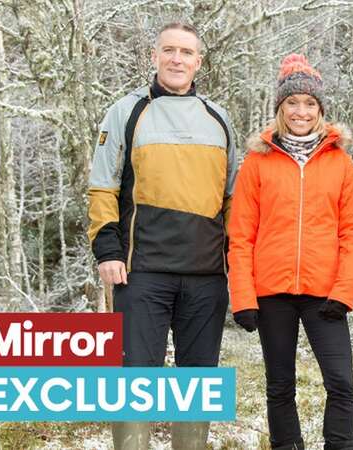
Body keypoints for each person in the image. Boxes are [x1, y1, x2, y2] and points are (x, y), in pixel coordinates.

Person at [87, 22, 237, 450]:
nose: (176, 59)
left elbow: (231, 200)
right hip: (141, 271)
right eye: (168, 50)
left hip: (207, 275)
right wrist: (107, 250)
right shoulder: (126, 111)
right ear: (154, 57)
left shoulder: (218, 118)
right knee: (136, 378)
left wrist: (236, 263)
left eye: (186, 52)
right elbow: (102, 185)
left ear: (198, 62)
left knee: (198, 381)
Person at [227, 54, 353, 450]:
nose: (300, 111)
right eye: (292, 103)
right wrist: (243, 297)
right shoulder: (257, 162)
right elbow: (240, 235)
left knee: (341, 382)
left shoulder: (340, 163)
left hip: (325, 294)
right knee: (280, 385)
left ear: (320, 110)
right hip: (272, 293)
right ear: (280, 108)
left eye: (309, 104)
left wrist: (343, 293)